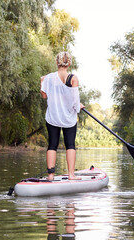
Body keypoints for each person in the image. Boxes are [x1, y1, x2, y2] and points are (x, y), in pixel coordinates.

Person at [40, 52, 84, 181]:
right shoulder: (73, 78)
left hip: (53, 116)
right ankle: (71, 175)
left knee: (52, 144)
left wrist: (41, 82)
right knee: (70, 144)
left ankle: (51, 176)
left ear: (56, 62)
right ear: (69, 63)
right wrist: (79, 106)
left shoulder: (48, 78)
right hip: (68, 117)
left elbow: (44, 96)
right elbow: (74, 100)